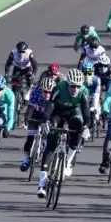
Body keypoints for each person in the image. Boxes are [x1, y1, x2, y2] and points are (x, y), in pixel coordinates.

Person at [37, 69, 92, 197]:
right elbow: (50, 106)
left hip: (74, 112)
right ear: (67, 84)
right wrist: (46, 121)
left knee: (78, 127)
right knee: (51, 142)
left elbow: (86, 112)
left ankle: (68, 161)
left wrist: (87, 127)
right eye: (72, 86)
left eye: (78, 86)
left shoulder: (84, 91)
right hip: (58, 112)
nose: (75, 89)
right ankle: (41, 183)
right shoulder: (59, 88)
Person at [20, 75, 55, 173]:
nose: (47, 94)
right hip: (37, 113)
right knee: (30, 137)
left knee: (49, 137)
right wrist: (27, 119)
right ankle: (25, 160)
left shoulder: (55, 96)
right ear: (41, 90)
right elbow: (30, 108)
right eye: (45, 91)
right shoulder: (36, 92)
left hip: (49, 115)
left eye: (50, 92)